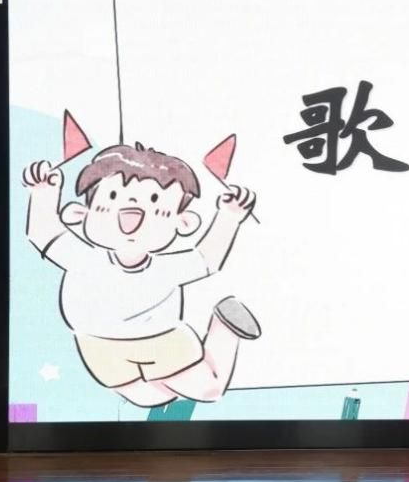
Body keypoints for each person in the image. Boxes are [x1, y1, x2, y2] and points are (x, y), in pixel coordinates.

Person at [22, 143, 260, 407]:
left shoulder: (166, 268)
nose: (132, 213)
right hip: (99, 347)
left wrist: (230, 216)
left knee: (209, 389)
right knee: (151, 399)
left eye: (156, 204)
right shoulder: (83, 258)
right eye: (112, 198)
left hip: (161, 340)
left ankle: (226, 327)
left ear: (183, 222)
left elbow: (207, 259)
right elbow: (43, 233)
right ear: (79, 213)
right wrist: (43, 192)